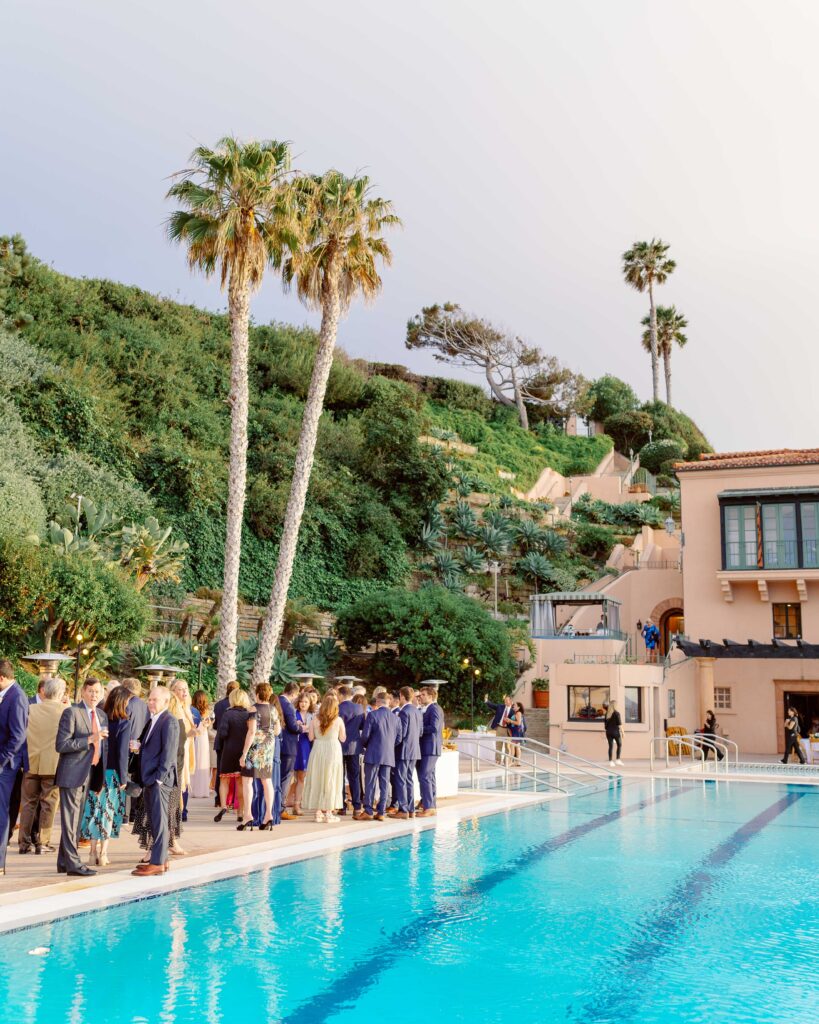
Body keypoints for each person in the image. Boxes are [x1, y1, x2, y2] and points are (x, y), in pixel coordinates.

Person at [54, 677, 107, 877]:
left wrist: (99, 777)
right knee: (70, 820)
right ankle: (74, 864)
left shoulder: (101, 715)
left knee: (76, 821)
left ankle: (63, 862)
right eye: (91, 691)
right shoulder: (71, 713)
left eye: (98, 692)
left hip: (90, 773)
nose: (94, 695)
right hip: (72, 773)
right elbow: (61, 745)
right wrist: (89, 739)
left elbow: (104, 747)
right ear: (83, 692)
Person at [80, 684, 130, 866]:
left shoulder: (100, 717)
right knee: (108, 814)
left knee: (94, 811)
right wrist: (124, 778)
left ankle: (92, 852)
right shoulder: (124, 722)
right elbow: (122, 753)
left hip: (97, 771)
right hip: (114, 774)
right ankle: (104, 853)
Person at [132, 686, 179, 877]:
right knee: (154, 821)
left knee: (159, 822)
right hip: (149, 778)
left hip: (159, 780)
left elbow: (169, 754)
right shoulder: (153, 720)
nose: (151, 702)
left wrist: (159, 779)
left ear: (166, 702)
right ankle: (160, 859)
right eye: (149, 699)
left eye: (155, 700)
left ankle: (158, 862)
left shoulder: (170, 721)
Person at [19, 676, 65, 855]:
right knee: (49, 804)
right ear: (60, 693)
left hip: (31, 762)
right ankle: (43, 842)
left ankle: (24, 842)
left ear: (43, 692)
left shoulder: (31, 709)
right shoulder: (65, 710)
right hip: (52, 764)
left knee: (28, 803)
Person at [0, 659, 30, 874]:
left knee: (1, 812)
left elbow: (18, 736)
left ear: (1, 678)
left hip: (6, 766)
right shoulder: (7, 694)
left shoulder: (17, 697)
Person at [214, 687, 256, 826]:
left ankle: (224, 806)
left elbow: (223, 733)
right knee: (240, 782)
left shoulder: (228, 713)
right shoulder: (248, 714)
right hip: (243, 750)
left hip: (229, 750)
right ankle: (240, 812)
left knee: (224, 779)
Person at [302, 693, 346, 823]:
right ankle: (328, 813)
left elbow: (310, 738)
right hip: (333, 750)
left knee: (317, 778)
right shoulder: (338, 720)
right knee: (331, 779)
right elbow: (343, 738)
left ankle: (318, 812)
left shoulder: (315, 719)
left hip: (318, 749)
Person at [242, 683, 280, 830]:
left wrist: (244, 754)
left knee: (247, 781)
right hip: (268, 748)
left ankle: (247, 816)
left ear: (257, 693)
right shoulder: (273, 710)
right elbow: (277, 731)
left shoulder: (253, 709)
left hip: (255, 747)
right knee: (267, 781)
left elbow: (251, 732)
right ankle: (268, 815)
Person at [358, 693, 400, 821]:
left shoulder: (372, 715)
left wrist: (366, 745)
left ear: (377, 702)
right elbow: (399, 738)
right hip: (388, 754)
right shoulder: (396, 718)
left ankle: (368, 811)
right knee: (384, 784)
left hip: (373, 753)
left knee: (370, 783)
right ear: (388, 702)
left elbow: (365, 736)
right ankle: (381, 811)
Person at [390, 687, 422, 820]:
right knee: (409, 779)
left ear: (402, 696)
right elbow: (420, 732)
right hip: (414, 750)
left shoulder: (404, 712)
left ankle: (403, 809)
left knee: (401, 779)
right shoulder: (416, 710)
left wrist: (392, 745)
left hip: (403, 750)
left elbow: (401, 734)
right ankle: (410, 809)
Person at [278, 681, 306, 821]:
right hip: (289, 746)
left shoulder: (276, 700)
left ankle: (276, 806)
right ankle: (281, 808)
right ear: (294, 693)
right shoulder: (288, 705)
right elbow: (293, 727)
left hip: (279, 744)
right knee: (285, 777)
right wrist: (302, 728)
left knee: (278, 776)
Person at [337, 685, 365, 815]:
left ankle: (341, 806)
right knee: (354, 776)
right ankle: (357, 806)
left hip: (340, 745)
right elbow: (362, 726)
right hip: (354, 746)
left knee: (340, 777)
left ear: (342, 695)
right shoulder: (359, 708)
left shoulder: (338, 708)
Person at [416, 687, 444, 817]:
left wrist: (418, 729)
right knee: (429, 776)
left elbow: (434, 727)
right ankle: (430, 803)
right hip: (425, 748)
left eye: (423, 695)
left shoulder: (435, 709)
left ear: (431, 696)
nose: (420, 697)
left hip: (430, 747)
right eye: (420, 695)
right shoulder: (425, 708)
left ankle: (429, 806)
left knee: (425, 776)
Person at [213, 679, 240, 808]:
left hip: (220, 741)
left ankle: (219, 799)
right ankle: (232, 800)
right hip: (233, 742)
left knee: (221, 771)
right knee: (235, 773)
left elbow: (215, 724)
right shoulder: (238, 707)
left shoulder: (218, 705)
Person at [291, 692, 314, 816]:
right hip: (294, 746)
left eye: (306, 701)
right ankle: (283, 803)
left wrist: (307, 728)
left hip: (306, 746)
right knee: (289, 776)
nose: (303, 704)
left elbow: (314, 731)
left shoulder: (313, 716)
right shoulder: (294, 714)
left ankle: (297, 804)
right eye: (301, 701)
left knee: (301, 777)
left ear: (310, 703)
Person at [190, 690, 213, 798]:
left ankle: (193, 788)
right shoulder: (207, 712)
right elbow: (207, 727)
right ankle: (203, 789)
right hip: (202, 738)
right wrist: (205, 725)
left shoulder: (191, 710)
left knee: (194, 760)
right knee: (203, 762)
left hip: (194, 737)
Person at [603, 700, 623, 767]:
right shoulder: (617, 713)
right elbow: (620, 724)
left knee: (610, 746)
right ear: (615, 705)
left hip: (608, 732)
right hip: (615, 732)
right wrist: (623, 732)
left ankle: (610, 761)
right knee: (619, 745)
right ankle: (617, 760)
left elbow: (605, 725)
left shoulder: (607, 714)